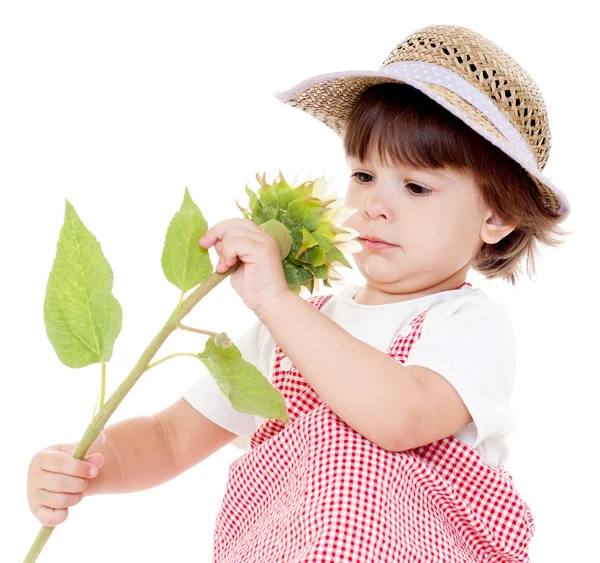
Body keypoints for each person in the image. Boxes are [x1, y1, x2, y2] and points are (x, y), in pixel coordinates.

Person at [27, 23, 571, 562]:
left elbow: (402, 416)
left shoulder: (465, 324)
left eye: (416, 186)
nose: (375, 205)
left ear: (496, 217)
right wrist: (87, 465)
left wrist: (277, 304)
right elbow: (171, 437)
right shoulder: (284, 328)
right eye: (362, 176)